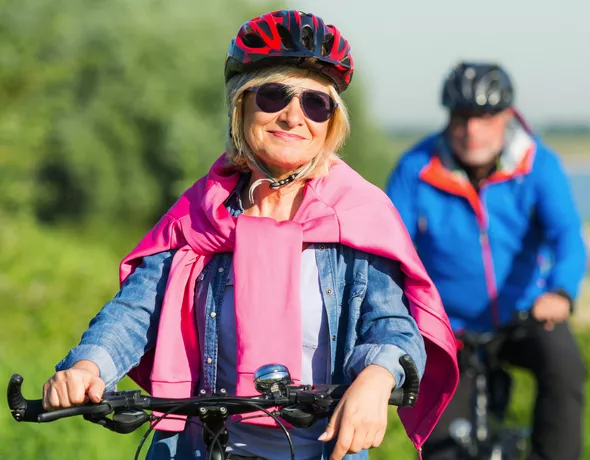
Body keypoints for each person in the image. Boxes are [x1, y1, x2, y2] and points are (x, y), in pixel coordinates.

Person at [42, 10, 459, 460]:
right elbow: (136, 309)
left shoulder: (358, 214)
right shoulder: (199, 213)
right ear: (241, 106)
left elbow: (393, 326)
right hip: (202, 448)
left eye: (315, 104)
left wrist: (377, 377)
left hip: (322, 451)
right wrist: (89, 365)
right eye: (274, 95)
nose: (293, 116)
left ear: (331, 124)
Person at [386, 62, 589, 460]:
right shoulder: (415, 169)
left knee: (565, 366)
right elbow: (390, 248)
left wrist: (561, 292)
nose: (472, 130)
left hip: (524, 316)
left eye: (484, 117)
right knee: (441, 445)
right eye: (462, 117)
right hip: (448, 329)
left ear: (507, 116)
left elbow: (568, 238)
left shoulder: (537, 165)